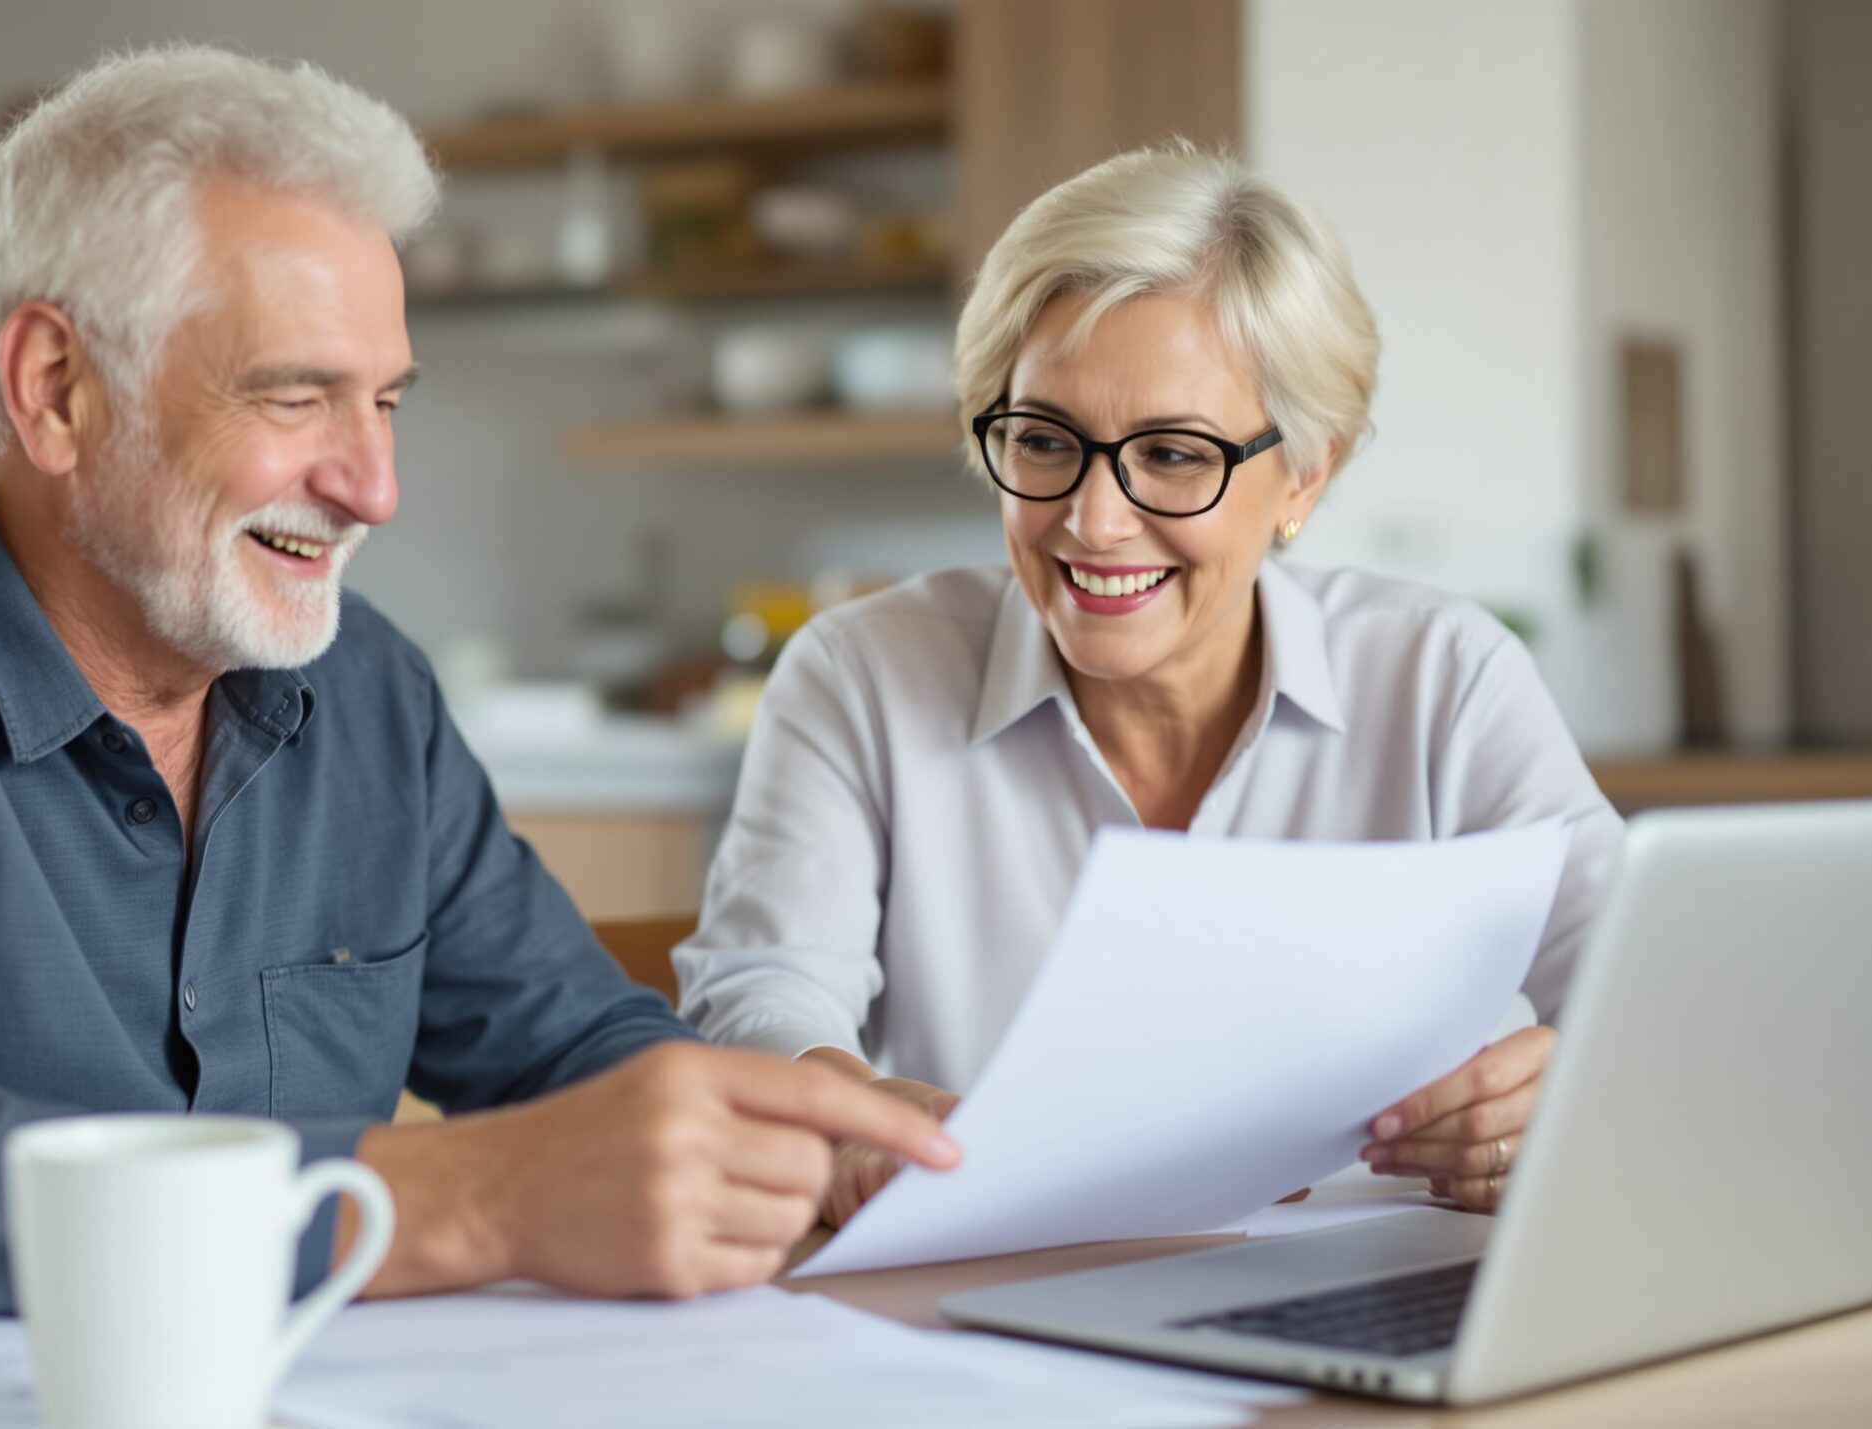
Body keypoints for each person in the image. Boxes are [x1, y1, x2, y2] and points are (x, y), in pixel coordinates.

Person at [0, 46, 954, 1345]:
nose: (374, 485)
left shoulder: (365, 690)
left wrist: (807, 1138)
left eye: (386, 400)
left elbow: (579, 1055)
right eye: (295, 396)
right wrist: (468, 1197)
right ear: (56, 388)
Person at [674, 144, 1622, 1228]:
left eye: (1173, 454)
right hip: (994, 1276)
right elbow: (762, 991)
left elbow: (1648, 984)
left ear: (1304, 474)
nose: (1094, 520)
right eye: (1044, 440)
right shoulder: (861, 677)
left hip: (1364, 1289)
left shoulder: (1444, 679)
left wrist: (1572, 1092)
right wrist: (850, 1112)